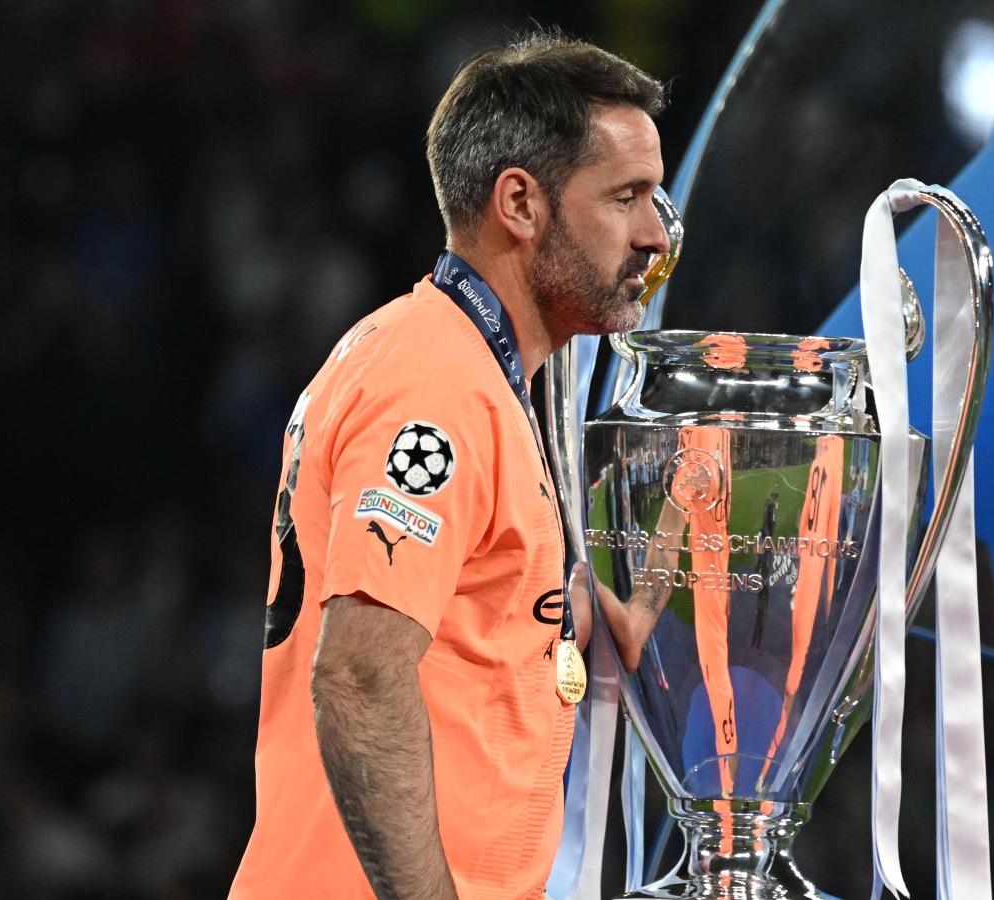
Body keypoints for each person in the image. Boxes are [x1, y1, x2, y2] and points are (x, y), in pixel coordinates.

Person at [228, 32, 670, 900]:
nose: (655, 234)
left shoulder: (470, 371)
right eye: (627, 197)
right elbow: (359, 670)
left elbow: (471, 624)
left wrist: (602, 609)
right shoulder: (434, 383)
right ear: (520, 203)